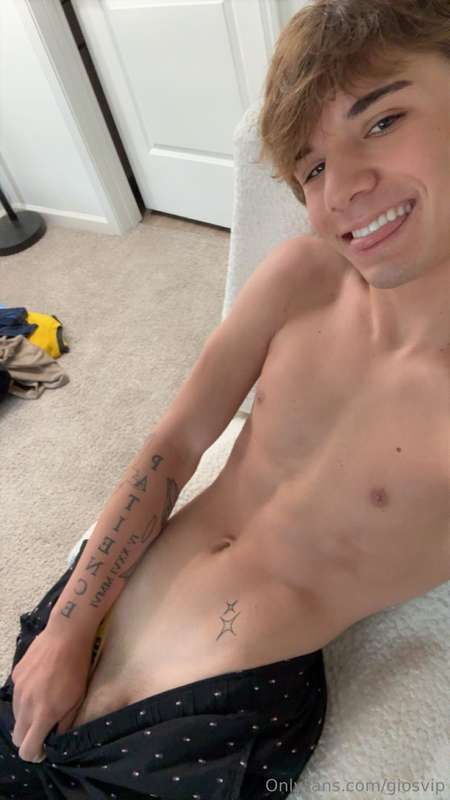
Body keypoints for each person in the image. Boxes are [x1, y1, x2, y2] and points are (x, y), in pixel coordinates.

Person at [1, 0, 449, 797]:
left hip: (216, 723)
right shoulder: (300, 277)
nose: (343, 188)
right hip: (94, 616)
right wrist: (68, 626)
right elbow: (175, 445)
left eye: (382, 122)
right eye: (311, 168)